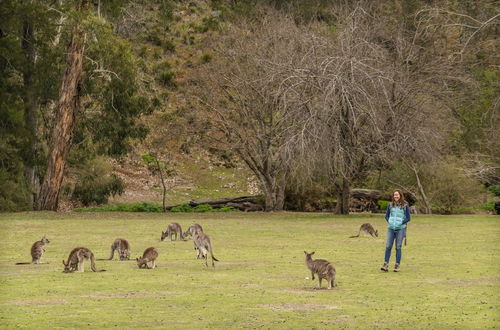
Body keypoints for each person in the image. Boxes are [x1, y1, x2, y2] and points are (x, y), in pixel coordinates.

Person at [381, 189, 410, 272]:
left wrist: (401, 223)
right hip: (391, 228)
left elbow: (408, 218)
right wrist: (389, 221)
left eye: (397, 195)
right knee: (388, 246)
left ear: (400, 195)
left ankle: (397, 265)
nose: (396, 196)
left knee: (398, 247)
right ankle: (385, 264)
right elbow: (386, 216)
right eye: (394, 195)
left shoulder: (405, 206)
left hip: (400, 229)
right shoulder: (390, 205)